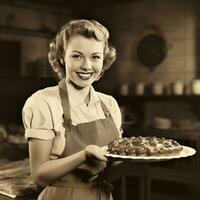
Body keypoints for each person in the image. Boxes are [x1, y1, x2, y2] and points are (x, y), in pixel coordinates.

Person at [22, 19, 123, 200]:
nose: (86, 65)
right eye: (77, 56)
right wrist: (83, 156)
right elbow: (39, 176)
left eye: (95, 56)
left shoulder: (109, 104)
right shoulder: (43, 102)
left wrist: (144, 156)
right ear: (62, 57)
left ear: (104, 60)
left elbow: (113, 161)